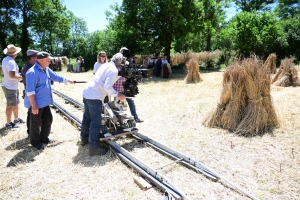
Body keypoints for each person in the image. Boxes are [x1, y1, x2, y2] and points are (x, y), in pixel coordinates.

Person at [24, 51, 75, 150]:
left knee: (48, 120)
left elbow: (55, 76)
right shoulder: (32, 72)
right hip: (36, 103)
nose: (50, 62)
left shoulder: (46, 69)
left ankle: (44, 138)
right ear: (41, 60)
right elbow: (30, 91)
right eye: (48, 60)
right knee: (35, 123)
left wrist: (67, 80)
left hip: (45, 102)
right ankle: (35, 142)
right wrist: (34, 105)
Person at [80, 53, 126, 156]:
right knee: (95, 122)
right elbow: (107, 87)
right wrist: (118, 95)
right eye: (122, 63)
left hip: (87, 92)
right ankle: (93, 148)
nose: (123, 65)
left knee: (87, 118)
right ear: (119, 62)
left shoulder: (106, 65)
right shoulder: (113, 70)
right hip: (94, 96)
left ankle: (84, 139)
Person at [1, 44, 24, 128]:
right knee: (10, 105)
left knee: (15, 103)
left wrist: (16, 75)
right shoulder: (11, 62)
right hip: (10, 86)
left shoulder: (5, 59)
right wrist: (22, 76)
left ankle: (16, 118)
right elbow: (12, 75)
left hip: (11, 85)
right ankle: (8, 123)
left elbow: (2, 72)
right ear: (14, 54)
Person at [21, 49, 39, 135]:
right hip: (31, 94)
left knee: (34, 114)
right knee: (31, 114)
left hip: (34, 93)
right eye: (37, 57)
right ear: (32, 58)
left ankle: (33, 131)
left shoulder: (32, 67)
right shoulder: (27, 69)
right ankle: (31, 132)